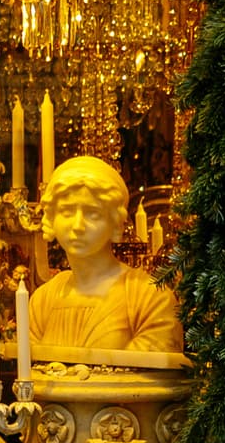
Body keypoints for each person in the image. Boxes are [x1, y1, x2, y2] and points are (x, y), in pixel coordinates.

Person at [24, 154, 184, 361]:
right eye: (67, 211)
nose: (77, 226)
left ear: (115, 223)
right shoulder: (43, 300)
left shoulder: (149, 298)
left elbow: (145, 378)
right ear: (51, 219)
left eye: (93, 214)